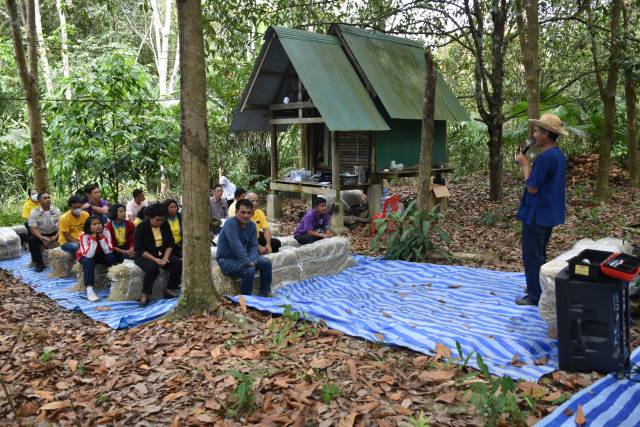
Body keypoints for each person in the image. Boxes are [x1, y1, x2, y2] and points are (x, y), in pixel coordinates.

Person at [515, 113, 568, 306]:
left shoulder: (545, 158)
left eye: (537, 131)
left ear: (546, 134)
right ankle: (538, 287)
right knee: (540, 252)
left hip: (537, 214)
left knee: (532, 255)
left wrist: (525, 165)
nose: (535, 134)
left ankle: (535, 295)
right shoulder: (558, 155)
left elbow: (532, 187)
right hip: (548, 213)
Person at [216, 199, 272, 296]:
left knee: (266, 263)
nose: (246, 215)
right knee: (249, 269)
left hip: (244, 258)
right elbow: (236, 246)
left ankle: (265, 293)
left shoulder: (252, 226)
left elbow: (253, 245)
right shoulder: (230, 223)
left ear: (252, 213)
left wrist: (253, 260)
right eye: (243, 212)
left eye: (249, 213)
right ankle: (246, 298)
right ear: (236, 212)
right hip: (226, 259)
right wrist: (248, 262)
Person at [134, 203, 181, 307]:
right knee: (152, 268)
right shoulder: (141, 227)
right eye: (157, 220)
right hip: (145, 255)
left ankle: (170, 288)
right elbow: (139, 249)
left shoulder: (165, 224)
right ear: (149, 218)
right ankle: (145, 294)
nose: (160, 222)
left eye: (162, 219)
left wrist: (165, 258)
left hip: (162, 253)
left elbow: (170, 243)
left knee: (178, 263)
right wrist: (156, 260)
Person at [77, 216, 116, 302]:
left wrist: (101, 238)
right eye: (94, 224)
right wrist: (93, 238)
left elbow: (108, 251)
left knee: (111, 257)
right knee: (89, 261)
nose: (98, 226)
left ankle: (112, 280)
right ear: (89, 226)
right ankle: (89, 289)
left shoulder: (106, 231)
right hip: (85, 255)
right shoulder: (83, 235)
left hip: (100, 253)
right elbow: (88, 255)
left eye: (99, 223)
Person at [27, 192, 61, 272]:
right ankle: (39, 263)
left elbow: (61, 226)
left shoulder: (56, 210)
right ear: (39, 201)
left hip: (54, 233)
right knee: (32, 240)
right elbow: (32, 228)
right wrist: (42, 238)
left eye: (49, 197)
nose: (48, 199)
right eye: (45, 198)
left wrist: (55, 237)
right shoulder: (34, 212)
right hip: (41, 234)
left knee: (66, 235)